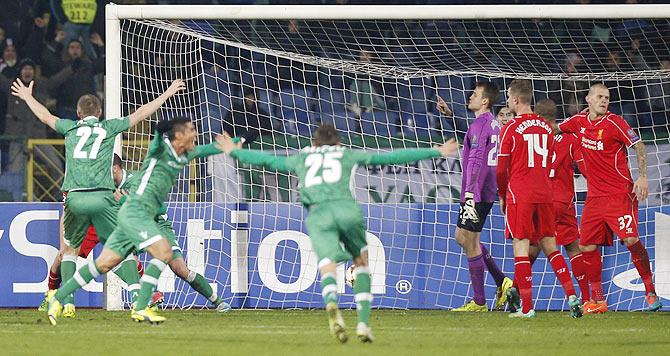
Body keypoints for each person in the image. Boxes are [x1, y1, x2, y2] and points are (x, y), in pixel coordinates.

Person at [219, 123, 458, 343]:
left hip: (319, 214)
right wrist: (435, 151)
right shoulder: (345, 154)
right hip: (346, 210)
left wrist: (235, 152)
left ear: (314, 143)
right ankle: (363, 323)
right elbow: (391, 156)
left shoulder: (303, 156)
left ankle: (332, 303)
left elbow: (268, 161)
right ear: (338, 143)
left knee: (327, 263)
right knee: (361, 262)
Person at [12, 76, 185, 319]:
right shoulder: (108, 127)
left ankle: (68, 303)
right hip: (104, 198)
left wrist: (28, 97)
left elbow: (44, 116)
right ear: (100, 111)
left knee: (69, 250)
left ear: (78, 112)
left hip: (75, 196)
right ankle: (138, 298)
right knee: (122, 250)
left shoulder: (70, 127)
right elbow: (141, 113)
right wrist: (167, 93)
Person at [45, 115, 228, 326]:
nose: (194, 135)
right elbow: (160, 132)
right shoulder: (154, 154)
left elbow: (159, 206)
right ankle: (140, 302)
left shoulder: (168, 162)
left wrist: (231, 145)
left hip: (154, 223)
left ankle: (217, 302)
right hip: (130, 220)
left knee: (177, 268)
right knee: (86, 257)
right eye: (190, 131)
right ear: (178, 136)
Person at [558, 83, 662, 313]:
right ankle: (598, 300)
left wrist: (642, 177)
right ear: (588, 99)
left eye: (607, 98)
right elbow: (558, 128)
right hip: (595, 198)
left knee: (631, 241)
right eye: (600, 97)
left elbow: (639, 146)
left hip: (619, 194)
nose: (604, 101)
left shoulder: (615, 123)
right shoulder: (578, 122)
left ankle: (650, 290)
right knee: (586, 245)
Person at [496, 79, 582, 318]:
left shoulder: (510, 128)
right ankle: (572, 296)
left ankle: (527, 308)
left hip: (520, 194)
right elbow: (550, 159)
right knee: (550, 246)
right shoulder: (547, 128)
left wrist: (503, 195)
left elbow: (501, 170)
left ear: (514, 100)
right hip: (545, 193)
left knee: (521, 247)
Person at [447, 82, 512, 312]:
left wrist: (470, 193)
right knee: (461, 236)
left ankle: (479, 301)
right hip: (485, 190)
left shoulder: (480, 125)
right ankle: (502, 281)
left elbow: (475, 162)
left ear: (485, 100)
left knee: (470, 242)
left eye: (474, 94)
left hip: (477, 191)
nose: (470, 97)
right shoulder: (493, 124)